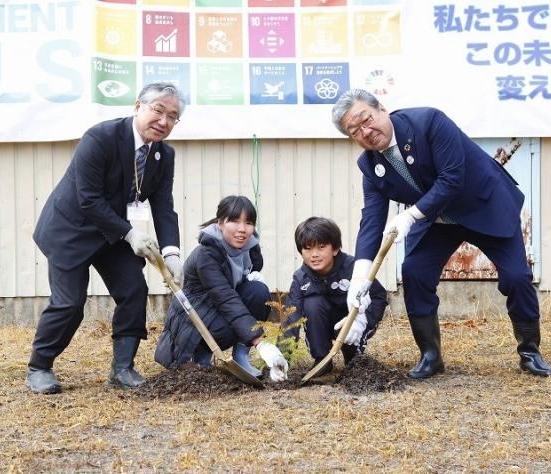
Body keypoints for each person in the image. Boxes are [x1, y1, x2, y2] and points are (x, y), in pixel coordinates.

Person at [331, 89, 551, 379]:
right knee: (414, 271)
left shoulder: (428, 122)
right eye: (355, 130)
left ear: (382, 109)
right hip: (437, 219)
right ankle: (430, 355)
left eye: (367, 119)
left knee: (516, 276)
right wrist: (359, 277)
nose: (366, 131)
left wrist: (411, 215)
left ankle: (530, 352)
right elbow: (372, 220)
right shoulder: (370, 166)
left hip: (483, 204)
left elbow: (452, 179)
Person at [26, 82, 186, 394]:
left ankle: (122, 369)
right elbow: (89, 199)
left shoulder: (163, 155)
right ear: (137, 106)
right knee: (70, 302)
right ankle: (39, 366)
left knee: (133, 289)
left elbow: (164, 207)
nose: (164, 121)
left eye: (172, 116)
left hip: (112, 234)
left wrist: (172, 254)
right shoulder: (100, 138)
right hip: (71, 230)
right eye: (158, 110)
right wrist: (130, 234)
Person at [155, 195, 289, 382]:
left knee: (258, 292)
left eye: (248, 223)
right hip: (195, 322)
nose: (242, 229)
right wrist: (261, 343)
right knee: (232, 319)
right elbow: (226, 299)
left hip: (217, 310)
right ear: (220, 223)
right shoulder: (206, 254)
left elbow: (249, 278)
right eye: (235, 221)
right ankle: (201, 357)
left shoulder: (246, 250)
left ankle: (241, 358)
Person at [281, 217, 388, 377]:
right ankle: (322, 360)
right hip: (321, 324)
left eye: (321, 247)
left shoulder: (353, 268)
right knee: (312, 303)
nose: (314, 255)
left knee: (354, 363)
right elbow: (292, 316)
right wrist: (283, 357)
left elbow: (378, 297)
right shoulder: (301, 278)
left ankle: (353, 356)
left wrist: (364, 321)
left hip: (352, 323)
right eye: (308, 249)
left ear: (335, 248)